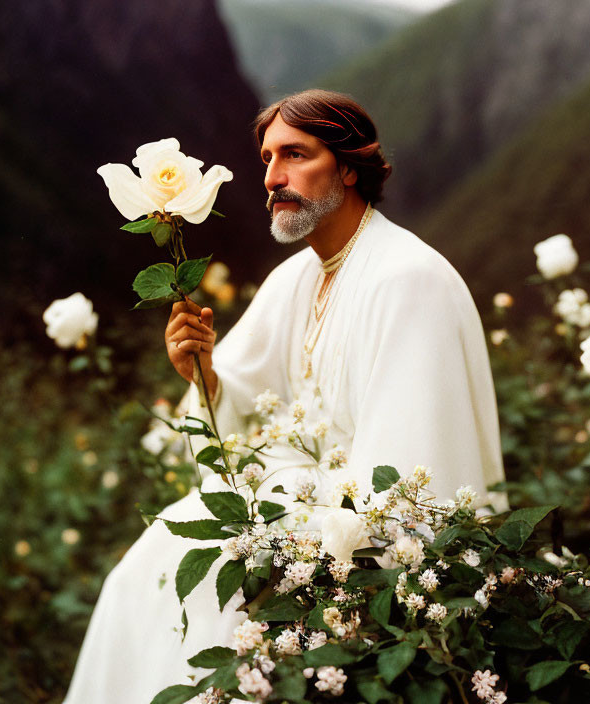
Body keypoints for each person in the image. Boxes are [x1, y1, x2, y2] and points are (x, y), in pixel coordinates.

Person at [63, 89, 504, 702]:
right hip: (294, 511)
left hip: (364, 539)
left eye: (295, 155)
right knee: (141, 577)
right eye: (267, 159)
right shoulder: (297, 275)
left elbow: (408, 480)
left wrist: (295, 520)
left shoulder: (410, 281)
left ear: (349, 168)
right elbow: (239, 395)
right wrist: (203, 371)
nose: (273, 177)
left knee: (202, 580)